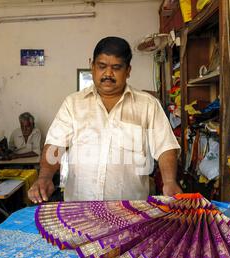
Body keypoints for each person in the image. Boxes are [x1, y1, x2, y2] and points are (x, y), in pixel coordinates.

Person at [28, 36, 182, 203]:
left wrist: (169, 182)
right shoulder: (73, 104)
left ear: (128, 70)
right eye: (102, 66)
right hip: (80, 209)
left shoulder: (147, 105)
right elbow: (55, 145)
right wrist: (45, 177)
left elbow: (165, 146)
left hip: (131, 211)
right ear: (92, 66)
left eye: (116, 67)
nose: (108, 74)